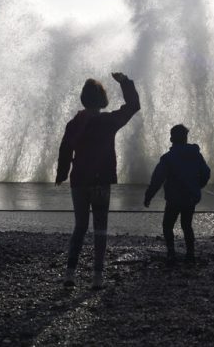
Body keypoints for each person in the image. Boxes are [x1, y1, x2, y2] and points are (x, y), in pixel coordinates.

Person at [56, 72, 140, 289]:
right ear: (102, 100)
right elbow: (133, 106)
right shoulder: (108, 121)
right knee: (100, 229)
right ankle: (97, 277)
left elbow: (65, 149)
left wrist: (62, 173)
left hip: (79, 181)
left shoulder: (74, 123)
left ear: (84, 99)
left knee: (80, 228)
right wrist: (125, 82)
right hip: (101, 180)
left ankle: (70, 274)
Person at [143, 124, 211, 264]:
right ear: (186, 138)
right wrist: (197, 186)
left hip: (174, 198)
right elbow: (206, 173)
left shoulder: (168, 158)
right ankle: (190, 253)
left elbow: (157, 179)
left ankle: (171, 253)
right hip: (191, 197)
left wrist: (149, 195)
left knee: (167, 225)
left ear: (171, 138)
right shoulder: (196, 155)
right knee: (187, 225)